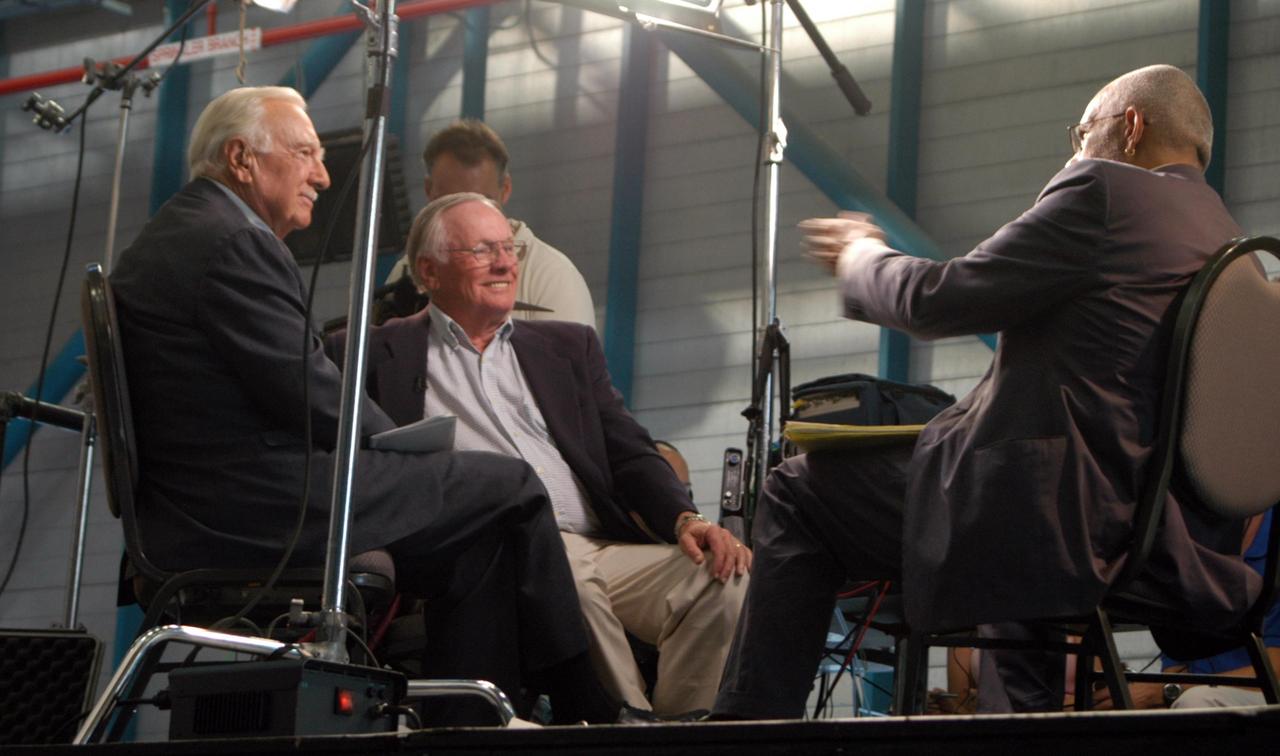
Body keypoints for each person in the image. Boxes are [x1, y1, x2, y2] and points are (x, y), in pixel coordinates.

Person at [711, 64, 1259, 718]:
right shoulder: (1231, 244)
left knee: (798, 490)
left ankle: (749, 726)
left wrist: (860, 255)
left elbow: (936, 299)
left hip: (1061, 522)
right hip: (1169, 542)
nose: (1076, 151)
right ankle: (1016, 721)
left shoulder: (1106, 193)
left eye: (1083, 132)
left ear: (1132, 126)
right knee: (1012, 475)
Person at [109, 86, 616, 725]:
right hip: (252, 504)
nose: (323, 176)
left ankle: (469, 722)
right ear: (241, 158)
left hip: (214, 498)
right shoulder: (231, 240)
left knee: (480, 529)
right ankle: (585, 705)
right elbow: (311, 393)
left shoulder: (185, 231)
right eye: (305, 153)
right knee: (511, 483)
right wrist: (409, 447)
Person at [330, 192, 751, 717]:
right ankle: (622, 726)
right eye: (482, 250)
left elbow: (630, 450)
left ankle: (686, 731)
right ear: (428, 271)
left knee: (723, 577)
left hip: (603, 543)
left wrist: (687, 519)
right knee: (571, 581)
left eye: (509, 249)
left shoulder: (568, 347)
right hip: (504, 551)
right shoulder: (369, 354)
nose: (504, 263)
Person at [383, 119, 596, 327]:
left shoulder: (551, 277)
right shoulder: (408, 274)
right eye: (451, 201)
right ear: (429, 190)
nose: (467, 216)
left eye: (481, 202)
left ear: (506, 189)